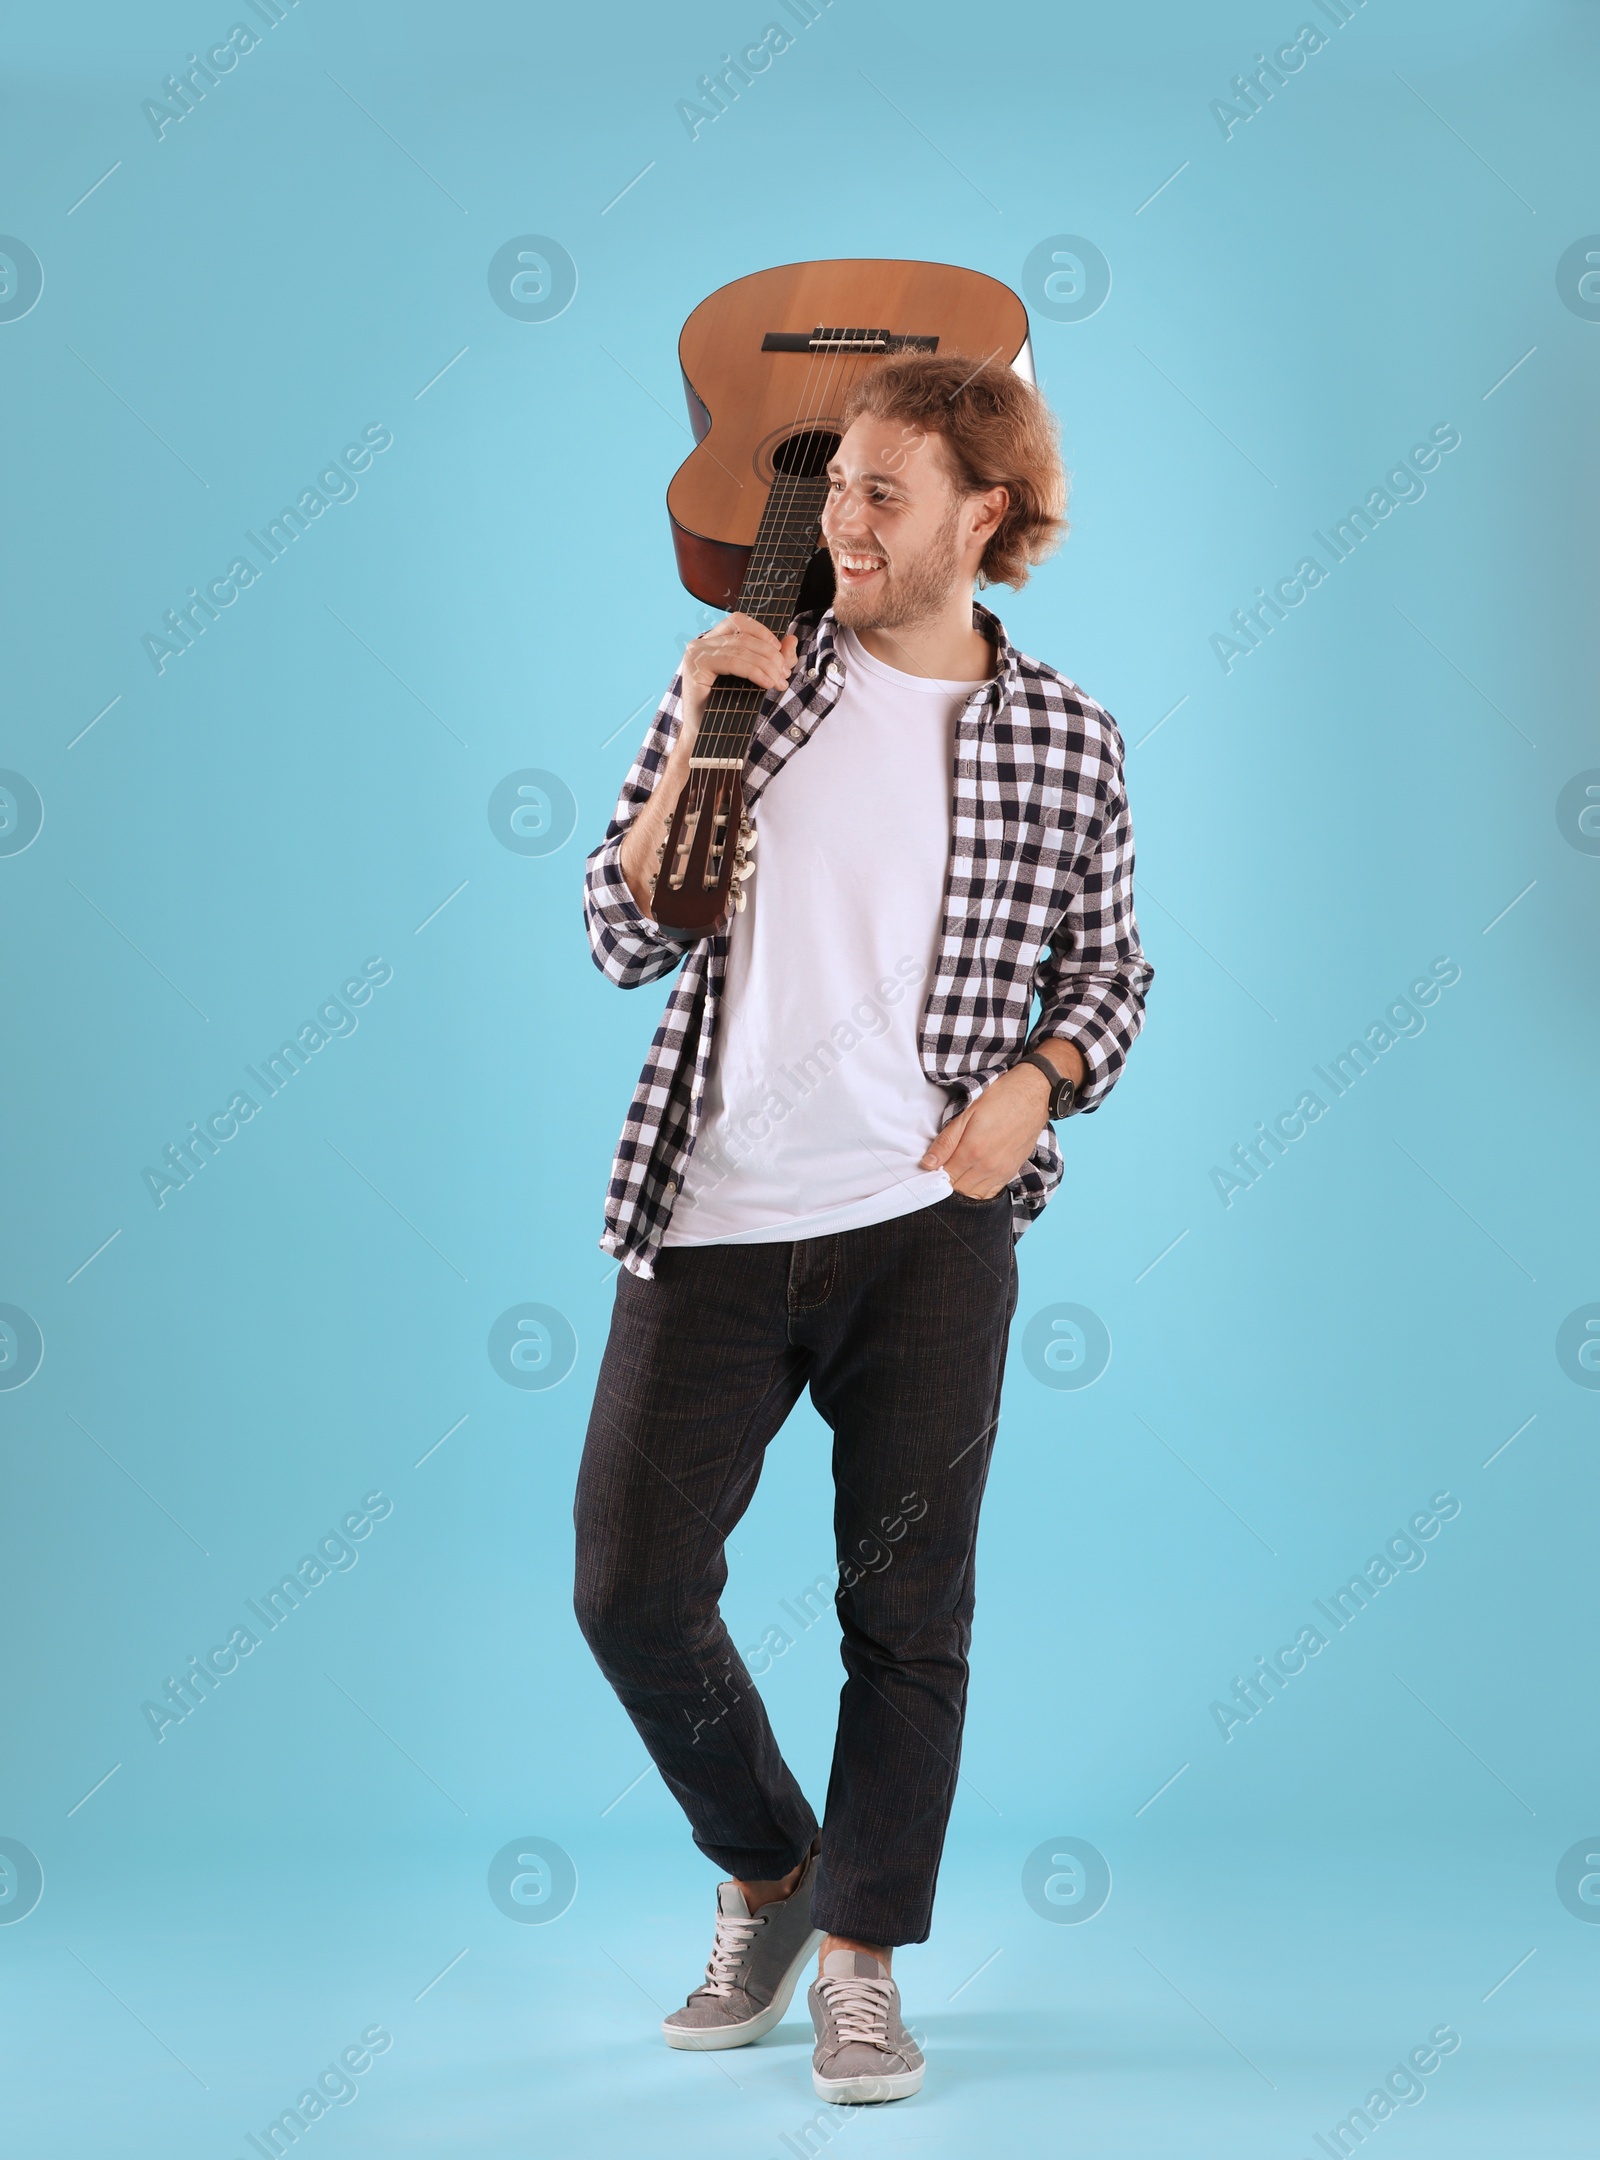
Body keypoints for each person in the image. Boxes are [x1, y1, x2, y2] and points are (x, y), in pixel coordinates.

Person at [574, 351, 1151, 2103]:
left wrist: (1034, 1086)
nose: (843, 524)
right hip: (722, 1218)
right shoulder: (758, 685)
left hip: (929, 1235)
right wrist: (692, 727)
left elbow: (1112, 974)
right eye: (834, 491)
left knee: (909, 1613)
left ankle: (858, 1962)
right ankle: (770, 1863)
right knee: (630, 1590)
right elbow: (619, 935)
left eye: (882, 496)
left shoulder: (1066, 736)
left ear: (985, 515)